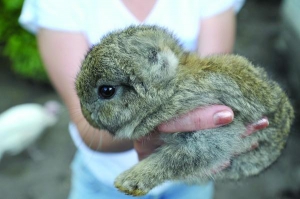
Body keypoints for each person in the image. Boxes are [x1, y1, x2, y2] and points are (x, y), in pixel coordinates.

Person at [19, 0, 268, 198]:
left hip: (190, 179)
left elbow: (211, 82)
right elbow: (88, 122)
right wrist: (165, 129)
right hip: (105, 184)